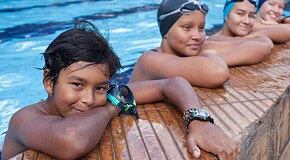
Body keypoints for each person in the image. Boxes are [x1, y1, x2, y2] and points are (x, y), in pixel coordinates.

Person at [2, 21, 240, 160]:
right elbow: (72, 140)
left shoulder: (108, 95)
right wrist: (110, 106)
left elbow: (173, 83)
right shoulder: (24, 119)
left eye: (100, 87)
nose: (88, 99)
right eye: (77, 84)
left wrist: (198, 121)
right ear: (48, 81)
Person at [130, 0, 230, 88]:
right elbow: (219, 72)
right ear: (166, 31)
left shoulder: (190, 48)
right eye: (187, 27)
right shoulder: (149, 60)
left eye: (201, 27)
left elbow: (245, 49)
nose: (197, 36)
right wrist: (209, 53)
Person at [202, 0, 290, 67]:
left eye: (251, 16)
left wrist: (252, 36)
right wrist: (259, 38)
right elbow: (264, 46)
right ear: (226, 16)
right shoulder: (214, 39)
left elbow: (287, 33)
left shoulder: (246, 32)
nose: (246, 21)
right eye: (240, 14)